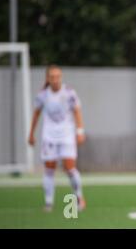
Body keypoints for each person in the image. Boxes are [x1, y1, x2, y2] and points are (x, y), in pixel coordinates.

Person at [28, 65, 86, 212]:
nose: (55, 80)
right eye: (52, 77)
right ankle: (48, 202)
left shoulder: (69, 93)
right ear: (47, 78)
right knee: (49, 169)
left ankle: (79, 197)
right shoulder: (42, 95)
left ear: (61, 77)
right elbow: (36, 114)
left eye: (58, 76)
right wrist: (31, 133)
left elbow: (77, 111)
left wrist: (80, 131)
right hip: (49, 137)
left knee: (70, 168)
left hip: (66, 135)